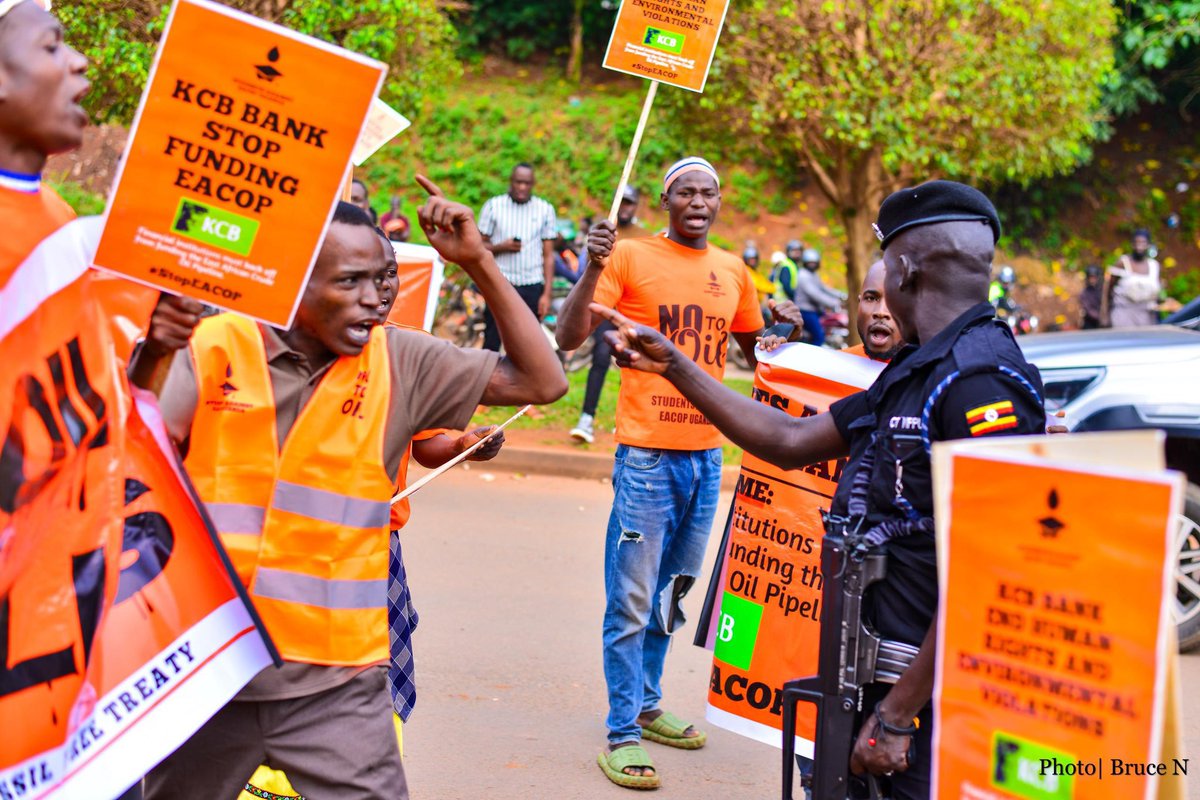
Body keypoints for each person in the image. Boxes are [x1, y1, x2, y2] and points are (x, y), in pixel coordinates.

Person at [590, 180, 1046, 800]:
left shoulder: (980, 381)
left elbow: (987, 574)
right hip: (864, 679)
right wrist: (674, 364)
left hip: (917, 701)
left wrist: (897, 715)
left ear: (905, 270)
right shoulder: (920, 369)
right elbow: (790, 438)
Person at [138, 181, 566, 800]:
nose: (375, 300)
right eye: (349, 282)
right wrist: (155, 349)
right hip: (210, 674)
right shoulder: (213, 346)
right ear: (291, 283)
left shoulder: (402, 361)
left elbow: (542, 379)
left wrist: (478, 262)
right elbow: (133, 455)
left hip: (337, 685)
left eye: (382, 280)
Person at [556, 156, 797, 789]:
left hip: (707, 455)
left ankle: (648, 701)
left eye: (708, 191)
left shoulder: (732, 270)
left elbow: (757, 358)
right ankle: (621, 732)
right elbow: (569, 334)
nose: (698, 200)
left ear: (719, 201)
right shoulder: (630, 257)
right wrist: (591, 267)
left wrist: (786, 333)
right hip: (647, 455)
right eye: (685, 191)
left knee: (674, 592)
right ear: (667, 201)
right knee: (631, 597)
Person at [568, 187, 654, 444]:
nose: (626, 208)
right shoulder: (604, 233)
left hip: (635, 309)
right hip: (606, 307)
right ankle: (586, 418)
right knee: (601, 358)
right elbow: (586, 269)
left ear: (636, 206)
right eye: (623, 203)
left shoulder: (645, 238)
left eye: (631, 203)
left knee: (637, 363)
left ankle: (632, 421)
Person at [477, 162, 558, 351]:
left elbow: (548, 256)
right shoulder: (493, 207)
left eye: (527, 183)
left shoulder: (545, 209)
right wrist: (501, 246)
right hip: (499, 283)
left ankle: (522, 381)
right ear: (511, 181)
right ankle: (488, 379)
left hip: (531, 285)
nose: (522, 187)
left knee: (528, 345)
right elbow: (479, 247)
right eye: (518, 182)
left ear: (533, 184)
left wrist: (546, 294)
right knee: (492, 339)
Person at [845, 259, 904, 361]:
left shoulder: (934, 373)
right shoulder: (832, 367)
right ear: (859, 301)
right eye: (871, 298)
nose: (881, 312)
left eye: (896, 300)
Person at [1104, 228, 1162, 327]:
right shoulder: (1123, 262)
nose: (1139, 247)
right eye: (1136, 242)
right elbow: (1108, 288)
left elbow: (1157, 293)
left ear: (1148, 245)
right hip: (1123, 314)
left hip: (1146, 316)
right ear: (1132, 244)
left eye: (1143, 243)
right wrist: (1104, 313)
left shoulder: (1154, 266)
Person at [793, 247, 845, 347]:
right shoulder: (803, 275)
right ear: (805, 263)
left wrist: (840, 295)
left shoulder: (813, 274)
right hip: (805, 311)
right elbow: (814, 294)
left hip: (815, 310)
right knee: (819, 336)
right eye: (809, 263)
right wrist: (833, 302)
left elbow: (824, 288)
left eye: (814, 263)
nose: (812, 265)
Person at [1079, 264, 1103, 329]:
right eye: (1091, 278)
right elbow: (1089, 310)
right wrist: (1101, 317)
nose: (1092, 280)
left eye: (1094, 278)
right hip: (1090, 325)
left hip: (1103, 324)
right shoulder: (1084, 293)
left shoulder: (1103, 291)